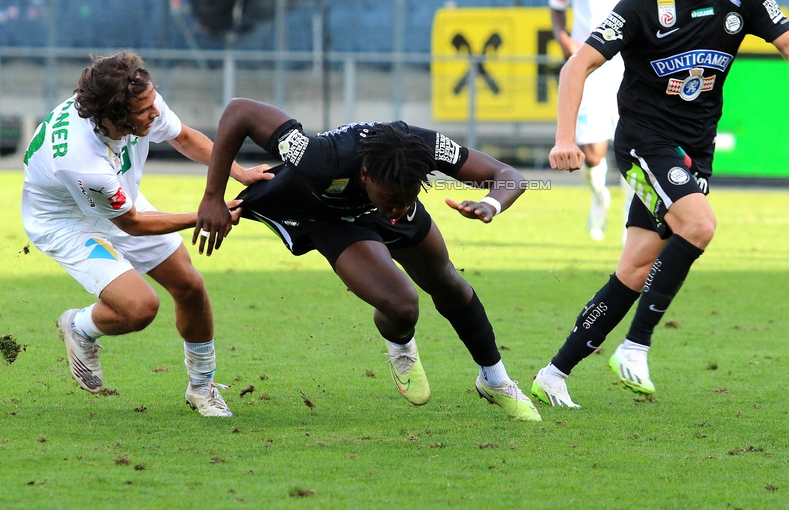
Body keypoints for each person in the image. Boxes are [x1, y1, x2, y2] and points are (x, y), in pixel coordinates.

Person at [533, 0, 789, 408]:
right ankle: (636, 345)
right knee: (700, 225)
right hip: (645, 142)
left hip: (695, 150)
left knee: (637, 267)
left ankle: (555, 372)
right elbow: (577, 65)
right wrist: (565, 138)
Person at [193, 98, 542, 421]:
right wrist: (213, 196)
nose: (400, 207)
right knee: (402, 305)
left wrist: (489, 204)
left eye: (409, 196)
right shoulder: (319, 157)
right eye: (394, 198)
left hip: (369, 206)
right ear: (365, 176)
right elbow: (240, 111)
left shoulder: (419, 151)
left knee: (448, 282)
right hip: (324, 213)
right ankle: (401, 346)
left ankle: (494, 380)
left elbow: (510, 176)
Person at [21, 51, 270, 416]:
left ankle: (202, 387)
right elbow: (133, 224)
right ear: (113, 116)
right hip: (66, 221)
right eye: (144, 110)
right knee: (140, 308)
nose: (155, 113)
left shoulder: (135, 96)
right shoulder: (82, 160)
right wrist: (204, 215)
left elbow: (184, 137)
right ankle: (79, 325)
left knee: (189, 285)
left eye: (153, 101)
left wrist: (239, 172)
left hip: (118, 200)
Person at [550, 0, 658, 242]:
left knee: (634, 148)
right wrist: (565, 40)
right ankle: (599, 198)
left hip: (629, 68)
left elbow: (659, 12)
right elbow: (556, 6)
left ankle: (632, 223)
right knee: (593, 154)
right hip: (590, 69)